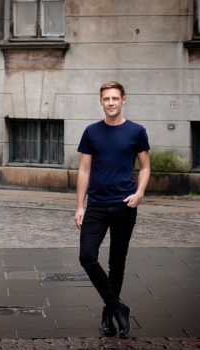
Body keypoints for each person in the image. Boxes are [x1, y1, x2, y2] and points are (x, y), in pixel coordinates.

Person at [74, 81, 150, 338]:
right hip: (96, 204)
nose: (110, 103)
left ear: (123, 100)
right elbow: (84, 170)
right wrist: (79, 206)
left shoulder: (136, 131)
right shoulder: (91, 132)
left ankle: (108, 314)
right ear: (101, 102)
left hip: (124, 205)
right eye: (106, 99)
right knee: (86, 256)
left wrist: (139, 194)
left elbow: (146, 167)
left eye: (115, 98)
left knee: (117, 263)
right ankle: (118, 307)